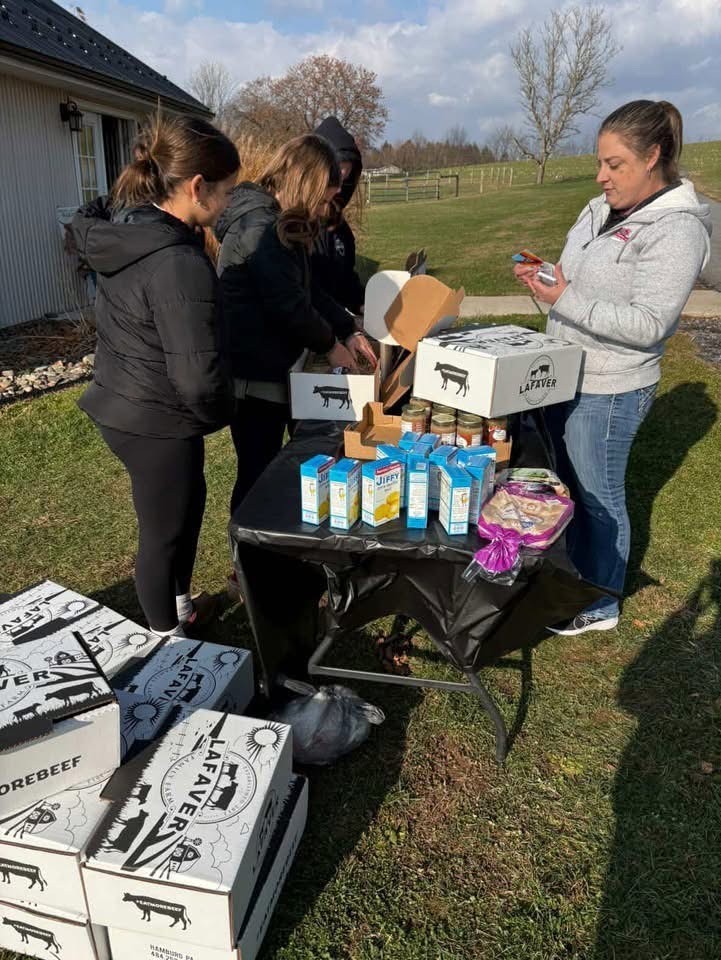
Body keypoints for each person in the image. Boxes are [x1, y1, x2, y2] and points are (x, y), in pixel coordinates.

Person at [514, 99, 711, 636]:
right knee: (566, 487)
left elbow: (649, 323)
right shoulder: (597, 211)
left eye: (614, 165)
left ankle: (600, 603)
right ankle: (570, 576)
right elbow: (571, 283)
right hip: (562, 372)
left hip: (610, 388)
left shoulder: (678, 230)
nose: (601, 177)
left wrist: (566, 298)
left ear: (653, 157)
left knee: (599, 496)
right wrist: (544, 280)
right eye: (600, 163)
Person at [70, 115, 240, 637]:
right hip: (153, 419)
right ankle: (166, 644)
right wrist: (227, 410)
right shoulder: (178, 261)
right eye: (227, 191)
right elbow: (196, 377)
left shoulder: (133, 231)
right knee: (163, 534)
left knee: (186, 511)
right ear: (196, 187)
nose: (230, 202)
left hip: (130, 404)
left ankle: (181, 610)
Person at [216, 133, 376, 515]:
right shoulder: (260, 228)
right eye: (322, 200)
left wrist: (347, 328)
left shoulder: (277, 223)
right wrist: (330, 345)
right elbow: (288, 305)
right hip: (253, 377)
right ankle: (247, 563)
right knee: (257, 470)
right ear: (304, 184)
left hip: (269, 367)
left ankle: (265, 550)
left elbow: (308, 290)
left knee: (271, 466)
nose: (324, 211)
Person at [312, 116, 366, 316]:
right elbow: (303, 295)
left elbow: (345, 280)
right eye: (333, 182)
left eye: (345, 182)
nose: (339, 191)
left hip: (331, 330)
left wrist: (363, 304)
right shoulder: (292, 225)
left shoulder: (340, 227)